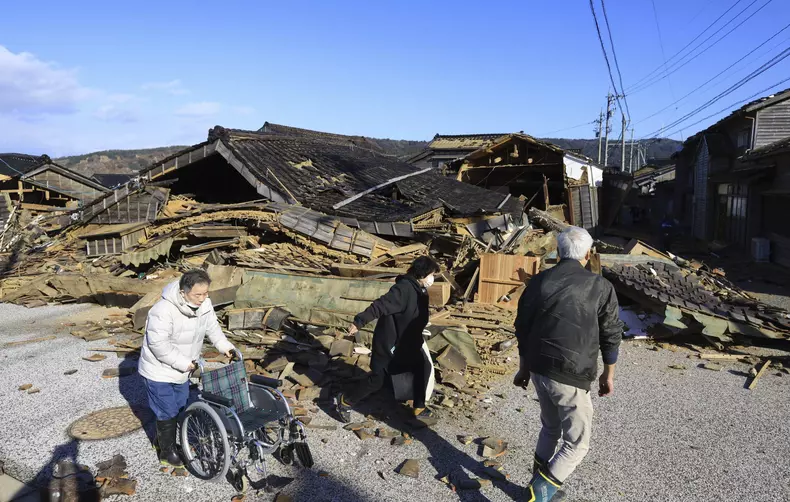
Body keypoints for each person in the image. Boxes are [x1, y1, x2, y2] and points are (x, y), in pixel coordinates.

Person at [513, 226, 623, 502]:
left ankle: (538, 482)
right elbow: (611, 332)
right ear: (587, 254)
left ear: (558, 253)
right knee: (577, 444)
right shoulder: (600, 287)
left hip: (539, 368)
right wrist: (608, 374)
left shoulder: (538, 282)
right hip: (571, 374)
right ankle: (538, 494)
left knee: (550, 428)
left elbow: (522, 328)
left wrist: (524, 368)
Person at [138, 269, 236, 467]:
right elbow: (158, 345)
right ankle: (166, 451)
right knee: (167, 410)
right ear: (183, 292)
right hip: (158, 370)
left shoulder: (204, 305)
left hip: (183, 369)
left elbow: (213, 329)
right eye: (197, 294)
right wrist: (184, 363)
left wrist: (225, 346)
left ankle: (160, 439)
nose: (202, 298)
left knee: (180, 405)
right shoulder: (163, 310)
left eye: (205, 293)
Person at [335, 256, 440, 423]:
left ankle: (419, 407)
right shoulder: (403, 289)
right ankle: (346, 400)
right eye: (431, 274)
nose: (432, 279)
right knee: (378, 379)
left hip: (408, 340)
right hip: (390, 341)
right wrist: (359, 322)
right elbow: (380, 305)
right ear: (421, 274)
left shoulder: (421, 291)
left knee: (423, 367)